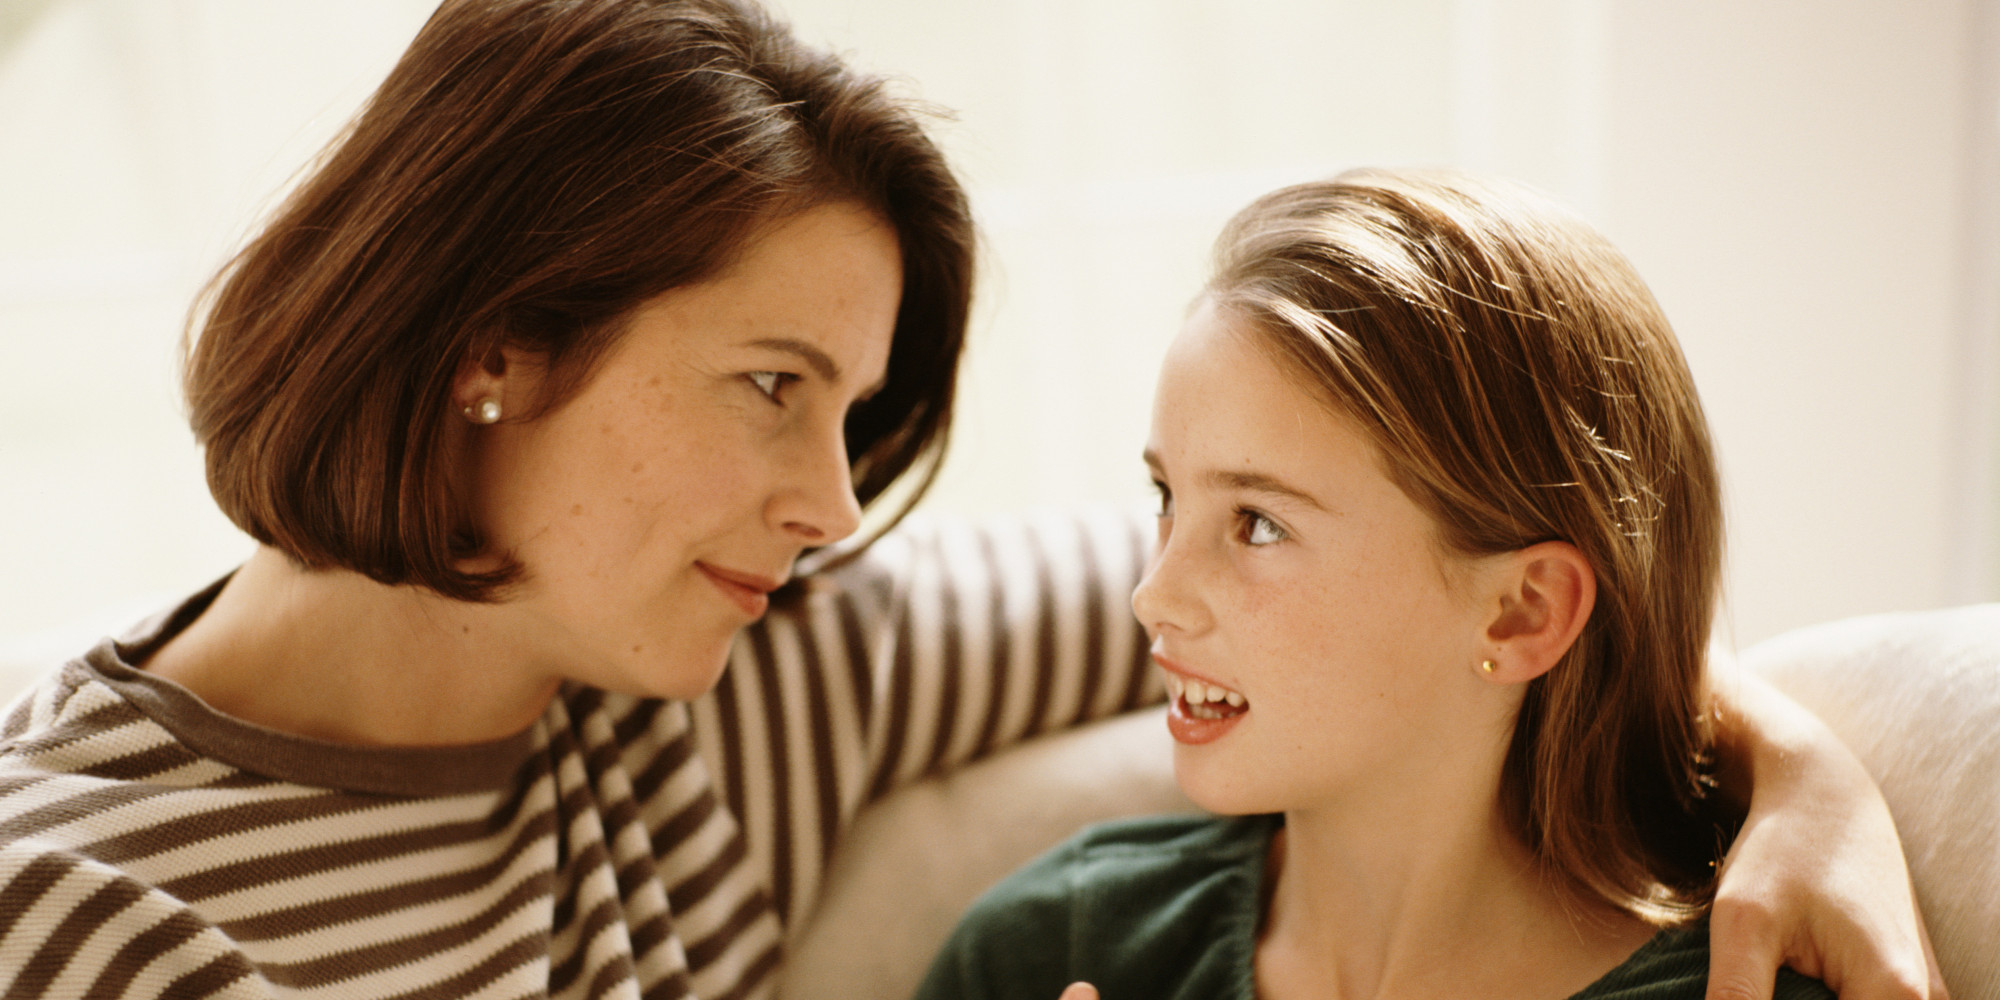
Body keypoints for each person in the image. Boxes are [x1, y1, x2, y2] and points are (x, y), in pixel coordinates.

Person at [0, 2, 1934, 997]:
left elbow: (1411, 586)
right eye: (774, 388)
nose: (831, 510)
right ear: (493, 339)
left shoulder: (747, 680)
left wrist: (1807, 783)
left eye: (852, 417)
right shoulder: (83, 907)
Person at [911, 170, 1940, 1000]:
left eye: (1258, 523)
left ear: (1522, 610)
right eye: (1165, 497)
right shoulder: (1051, 945)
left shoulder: (1737, 986)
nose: (1153, 593)